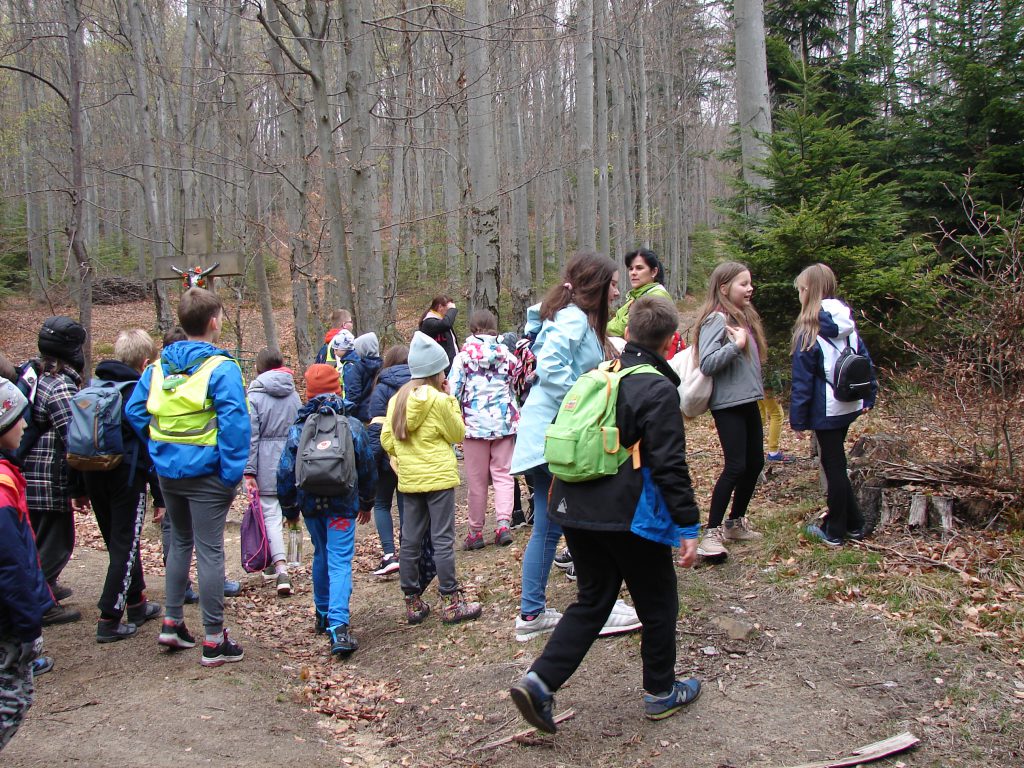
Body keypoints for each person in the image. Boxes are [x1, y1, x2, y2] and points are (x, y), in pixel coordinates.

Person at [509, 297, 703, 732]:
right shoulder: (657, 388)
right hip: (627, 516)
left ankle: (539, 683)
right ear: (670, 341)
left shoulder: (595, 376)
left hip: (573, 506)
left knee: (593, 600)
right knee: (658, 603)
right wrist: (688, 523)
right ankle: (661, 692)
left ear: (628, 333)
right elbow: (670, 466)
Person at [510, 251, 641, 643]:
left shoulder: (574, 318)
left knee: (551, 526)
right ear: (596, 286)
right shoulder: (572, 318)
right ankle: (598, 603)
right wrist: (588, 401)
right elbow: (550, 368)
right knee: (585, 518)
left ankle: (533, 613)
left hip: (551, 437)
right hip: (557, 440)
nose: (617, 293)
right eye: (613, 285)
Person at [126, 287, 251, 667]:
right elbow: (235, 424)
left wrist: (160, 448)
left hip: (170, 473)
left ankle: (173, 623)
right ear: (214, 322)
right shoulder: (222, 368)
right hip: (209, 474)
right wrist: (231, 473)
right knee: (209, 549)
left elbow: (135, 412)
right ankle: (214, 639)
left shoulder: (156, 368)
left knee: (181, 542)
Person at [381, 332, 480, 625]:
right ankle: (451, 601)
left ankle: (412, 602)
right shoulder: (439, 400)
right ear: (436, 372)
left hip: (410, 480)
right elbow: (457, 433)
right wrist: (450, 399)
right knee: (442, 539)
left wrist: (406, 454)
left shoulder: (397, 400)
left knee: (410, 540)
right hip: (439, 480)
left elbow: (386, 439)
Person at [277, 364, 376, 657]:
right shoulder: (352, 425)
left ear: (307, 393)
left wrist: (289, 509)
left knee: (321, 553)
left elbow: (285, 471)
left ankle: (322, 614)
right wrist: (367, 502)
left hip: (311, 504)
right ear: (338, 389)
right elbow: (367, 467)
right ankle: (339, 627)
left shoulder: (299, 429)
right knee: (339, 560)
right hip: (342, 504)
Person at [82, 330, 163, 643]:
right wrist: (159, 495)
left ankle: (137, 603)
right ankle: (109, 618)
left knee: (120, 544)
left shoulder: (94, 387)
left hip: (92, 474)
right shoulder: (136, 394)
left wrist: (77, 488)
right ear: (144, 364)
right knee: (125, 546)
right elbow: (148, 444)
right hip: (126, 478)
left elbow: (77, 435)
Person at [790, 263, 877, 546]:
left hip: (827, 408)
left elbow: (802, 382)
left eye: (801, 290)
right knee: (835, 462)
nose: (799, 295)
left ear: (808, 291)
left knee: (834, 466)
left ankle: (835, 530)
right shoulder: (847, 323)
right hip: (849, 402)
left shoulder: (809, 330)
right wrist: (869, 396)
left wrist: (798, 420)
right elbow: (864, 360)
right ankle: (855, 523)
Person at [694, 262, 768, 560]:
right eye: (743, 284)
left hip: (747, 400)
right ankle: (711, 533)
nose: (750, 288)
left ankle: (735, 522)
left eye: (750, 283)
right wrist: (736, 345)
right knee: (736, 466)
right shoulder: (717, 319)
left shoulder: (742, 317)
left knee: (755, 462)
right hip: (728, 404)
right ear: (724, 288)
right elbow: (707, 363)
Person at [21, 316, 89, 625]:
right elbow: (73, 436)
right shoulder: (60, 385)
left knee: (37, 539)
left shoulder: (33, 376)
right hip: (48, 480)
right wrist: (81, 485)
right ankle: (40, 601)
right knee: (56, 543)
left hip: (26, 476)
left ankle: (44, 587)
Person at [0, 378, 54, 751]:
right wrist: (27, 624)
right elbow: (10, 564)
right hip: (8, 622)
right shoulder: (2, 486)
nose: (24, 425)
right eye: (17, 418)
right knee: (13, 701)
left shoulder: (9, 474)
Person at [448, 310, 519, 549]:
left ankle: (475, 533)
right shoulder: (508, 356)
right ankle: (503, 525)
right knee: (504, 475)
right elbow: (517, 384)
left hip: (474, 425)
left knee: (477, 481)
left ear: (472, 328)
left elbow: (453, 392)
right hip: (504, 423)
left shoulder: (462, 358)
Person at [243, 347, 302, 596]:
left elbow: (251, 437)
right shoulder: (294, 394)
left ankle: (281, 569)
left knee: (270, 516)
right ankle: (293, 559)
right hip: (291, 460)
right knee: (292, 513)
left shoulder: (254, 396)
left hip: (266, 463)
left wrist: (249, 470)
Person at [367, 345, 410, 576]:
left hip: (385, 452)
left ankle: (388, 554)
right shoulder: (418, 385)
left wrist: (373, 458)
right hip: (408, 451)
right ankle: (408, 550)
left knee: (382, 503)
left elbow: (375, 424)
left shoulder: (381, 387)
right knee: (405, 501)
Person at [759, 369, 793, 463]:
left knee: (760, 417)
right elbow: (772, 370)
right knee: (777, 415)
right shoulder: (768, 361)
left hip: (755, 385)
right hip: (766, 387)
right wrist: (778, 392)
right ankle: (773, 452)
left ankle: (751, 448)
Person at [418, 296, 458, 372]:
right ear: (440, 307)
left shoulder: (441, 321)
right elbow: (446, 323)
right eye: (448, 309)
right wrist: (452, 310)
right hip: (439, 368)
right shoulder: (429, 322)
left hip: (449, 366)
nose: (448, 313)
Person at [351, 332, 383, 422]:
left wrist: (349, 412)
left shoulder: (358, 368)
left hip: (361, 415)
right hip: (380, 413)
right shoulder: (384, 365)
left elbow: (354, 393)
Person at [325, 330, 363, 404]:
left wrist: (347, 405)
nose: (334, 352)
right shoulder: (351, 361)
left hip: (351, 404)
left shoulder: (350, 365)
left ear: (344, 349)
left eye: (336, 349)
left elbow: (352, 389)